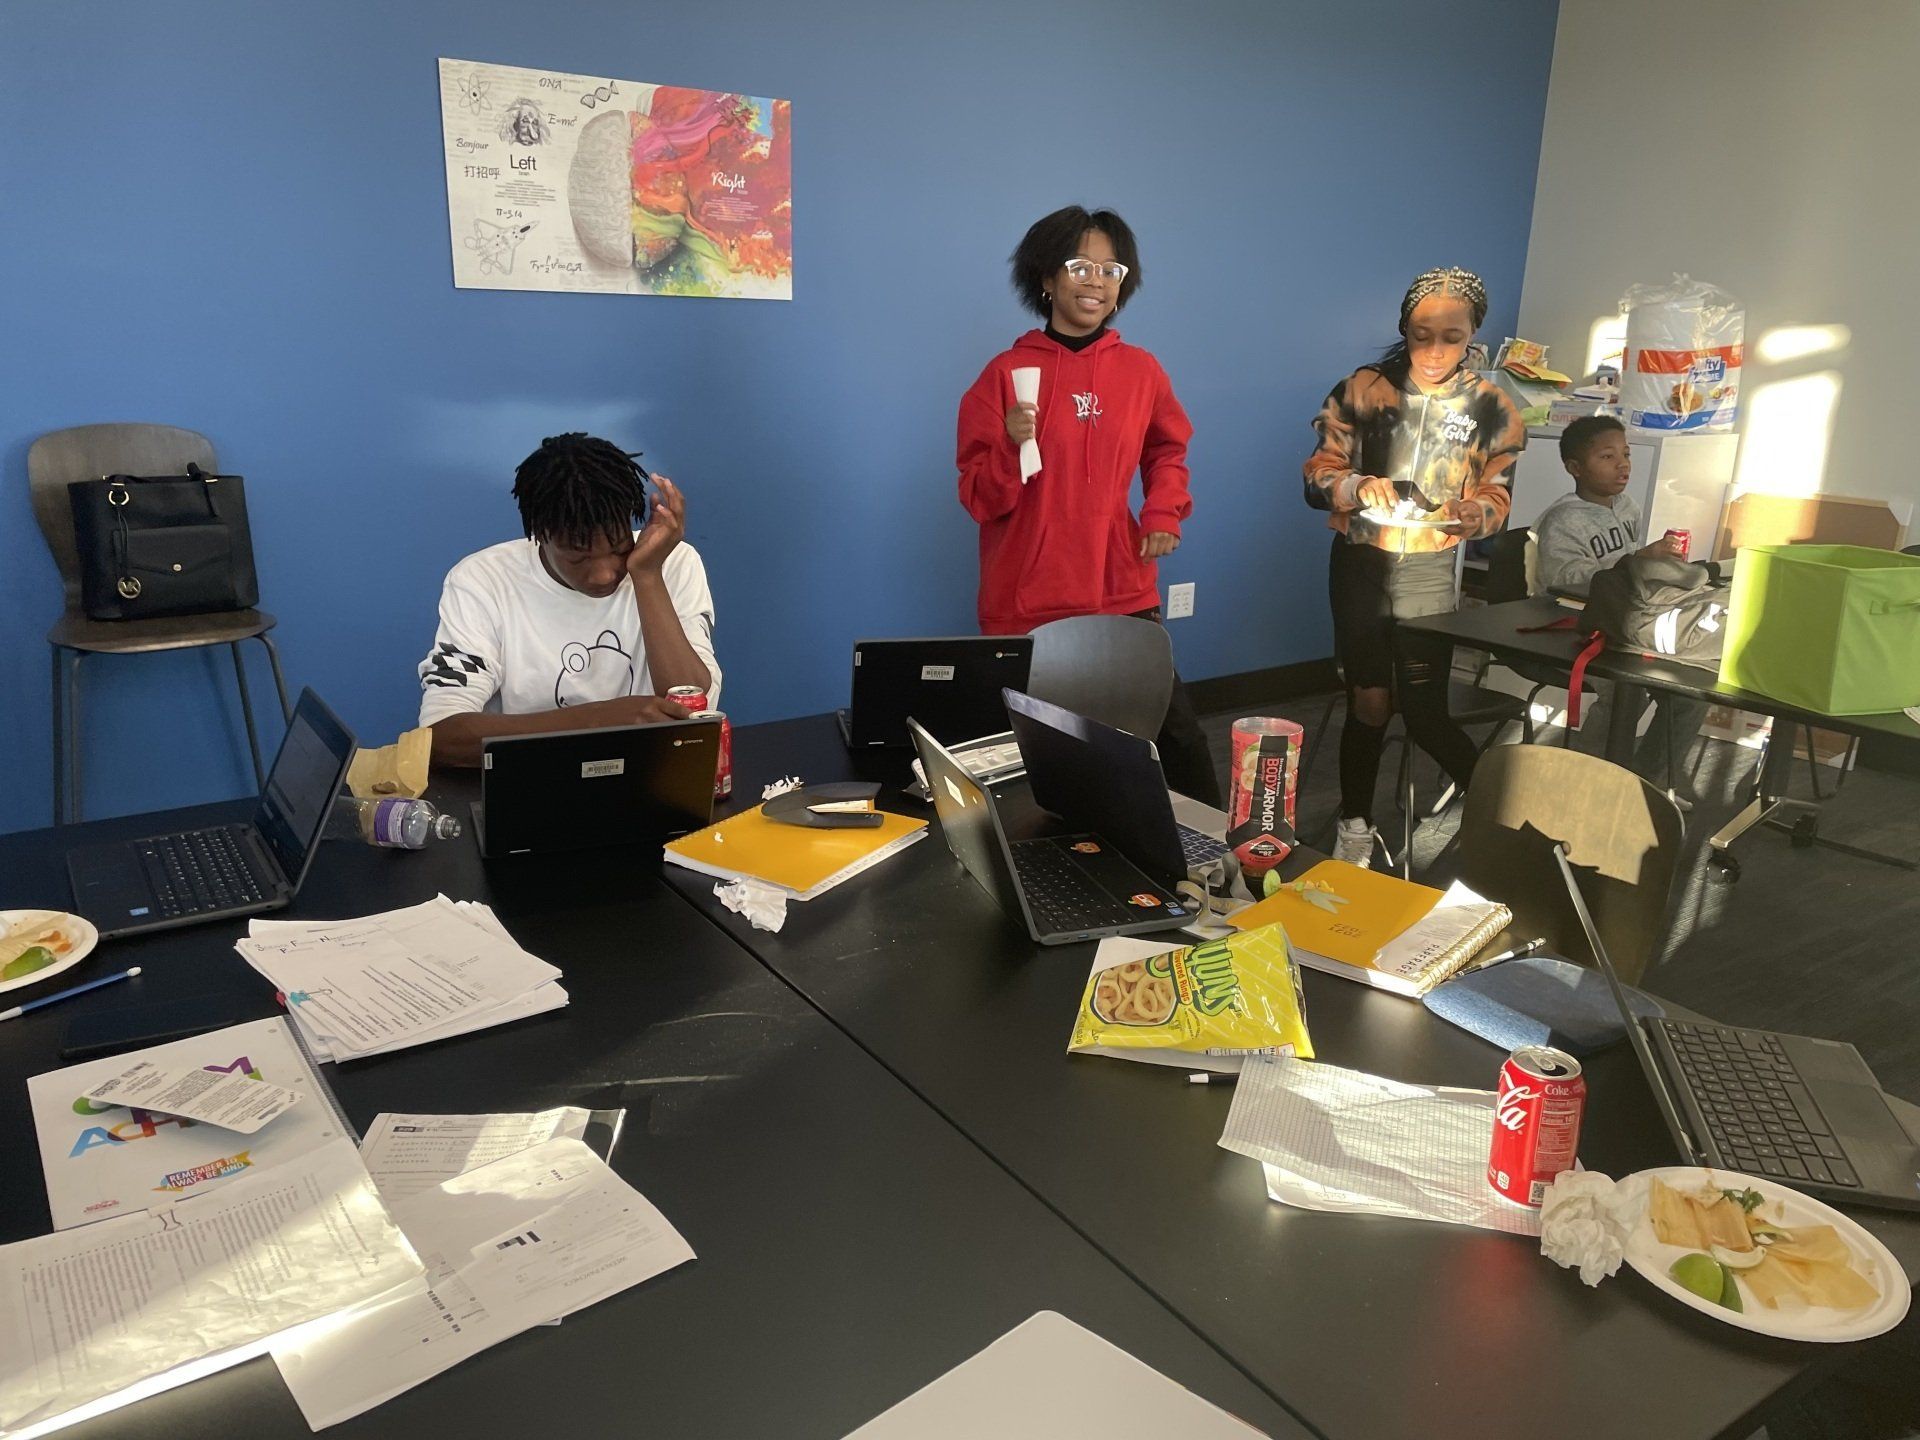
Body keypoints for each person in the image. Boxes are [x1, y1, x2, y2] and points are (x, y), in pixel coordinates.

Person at [956, 205, 1220, 805]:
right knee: (1037, 755)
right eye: (1079, 266)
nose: (1095, 281)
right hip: (1028, 595)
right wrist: (1010, 445)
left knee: (1174, 737)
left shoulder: (1141, 371)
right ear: (1046, 278)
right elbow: (977, 496)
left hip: (1118, 585)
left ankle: (1220, 865)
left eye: (1110, 269)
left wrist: (1161, 513)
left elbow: (1168, 452)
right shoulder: (1004, 374)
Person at [1303, 266, 1526, 867]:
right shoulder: (1362, 390)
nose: (1434, 349)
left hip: (1429, 570)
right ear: (1403, 328)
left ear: (1474, 333)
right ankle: (1355, 825)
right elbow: (1317, 475)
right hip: (1360, 565)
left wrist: (1472, 513)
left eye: (1451, 336)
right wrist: (1357, 486)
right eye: (1421, 333)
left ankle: (1516, 819)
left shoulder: (1492, 406)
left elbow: (1499, 497)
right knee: (1370, 703)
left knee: (1426, 713)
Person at [418, 432, 720, 768]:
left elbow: (698, 708)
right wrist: (598, 721)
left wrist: (646, 575)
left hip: (652, 776)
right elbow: (439, 738)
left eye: (619, 549)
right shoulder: (482, 580)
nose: (604, 574)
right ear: (539, 535)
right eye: (578, 558)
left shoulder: (672, 561)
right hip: (531, 782)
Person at [1532, 414, 1708, 797]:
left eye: (1625, 454)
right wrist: (1638, 559)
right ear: (1575, 468)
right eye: (1607, 457)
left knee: (1689, 687)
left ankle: (1646, 785)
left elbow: (1628, 566)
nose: (1623, 464)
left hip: (1622, 619)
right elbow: (1567, 581)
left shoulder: (1626, 506)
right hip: (1572, 622)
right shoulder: (1562, 520)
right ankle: (1587, 782)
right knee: (1621, 688)